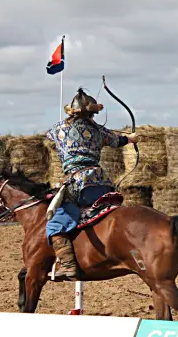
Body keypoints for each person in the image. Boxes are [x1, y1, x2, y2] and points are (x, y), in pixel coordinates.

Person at [45, 88, 138, 280]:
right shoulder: (99, 130)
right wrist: (131, 139)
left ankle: (68, 265)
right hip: (102, 184)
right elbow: (118, 140)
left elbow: (48, 137)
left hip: (78, 185)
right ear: (92, 113)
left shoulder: (58, 129)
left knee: (55, 224)